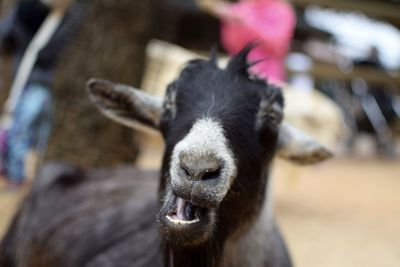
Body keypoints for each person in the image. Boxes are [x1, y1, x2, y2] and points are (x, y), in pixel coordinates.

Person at [0, 0, 84, 188]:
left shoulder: (67, 17)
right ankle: (15, 177)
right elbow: (6, 38)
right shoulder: (24, 12)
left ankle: (19, 179)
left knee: (30, 135)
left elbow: (47, 52)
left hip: (39, 86)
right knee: (17, 131)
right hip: (23, 83)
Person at [196, 0, 296, 83]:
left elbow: (278, 46)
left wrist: (248, 22)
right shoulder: (245, 6)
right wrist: (231, 21)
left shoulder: (282, 10)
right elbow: (230, 44)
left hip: (268, 78)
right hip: (238, 74)